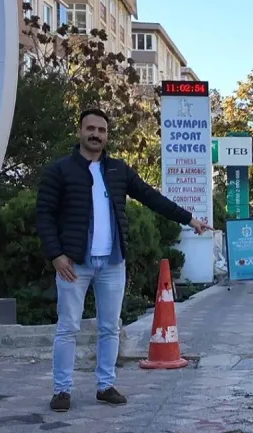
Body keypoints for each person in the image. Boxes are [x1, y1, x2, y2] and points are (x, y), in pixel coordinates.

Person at [36, 109, 210, 412]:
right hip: (74, 264)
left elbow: (152, 197)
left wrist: (189, 219)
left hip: (113, 262)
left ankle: (105, 385)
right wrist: (56, 255)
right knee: (68, 328)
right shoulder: (60, 170)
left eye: (101, 130)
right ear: (80, 132)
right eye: (90, 128)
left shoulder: (118, 170)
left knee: (110, 327)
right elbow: (44, 215)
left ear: (106, 135)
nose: (96, 134)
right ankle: (61, 390)